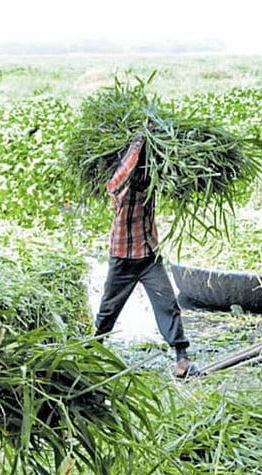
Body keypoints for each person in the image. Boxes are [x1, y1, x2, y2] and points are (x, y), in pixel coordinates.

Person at [94, 130, 196, 378]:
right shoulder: (120, 188)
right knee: (108, 310)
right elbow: (117, 180)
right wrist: (138, 142)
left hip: (149, 256)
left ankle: (182, 359)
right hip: (123, 258)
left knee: (168, 304)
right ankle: (91, 352)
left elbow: (176, 176)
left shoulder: (152, 180)